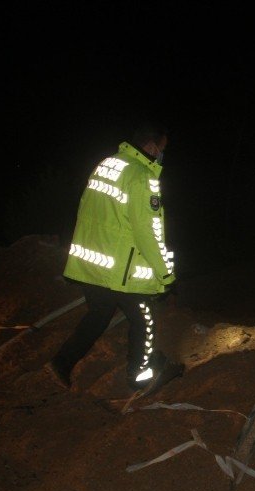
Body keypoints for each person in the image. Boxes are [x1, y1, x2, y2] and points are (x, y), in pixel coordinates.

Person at [46, 121, 183, 393]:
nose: (162, 154)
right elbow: (148, 232)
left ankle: (61, 362)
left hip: (95, 265)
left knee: (98, 314)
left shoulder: (107, 164)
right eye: (162, 148)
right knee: (144, 319)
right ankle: (139, 376)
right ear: (152, 145)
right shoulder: (142, 176)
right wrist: (165, 274)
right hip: (122, 270)